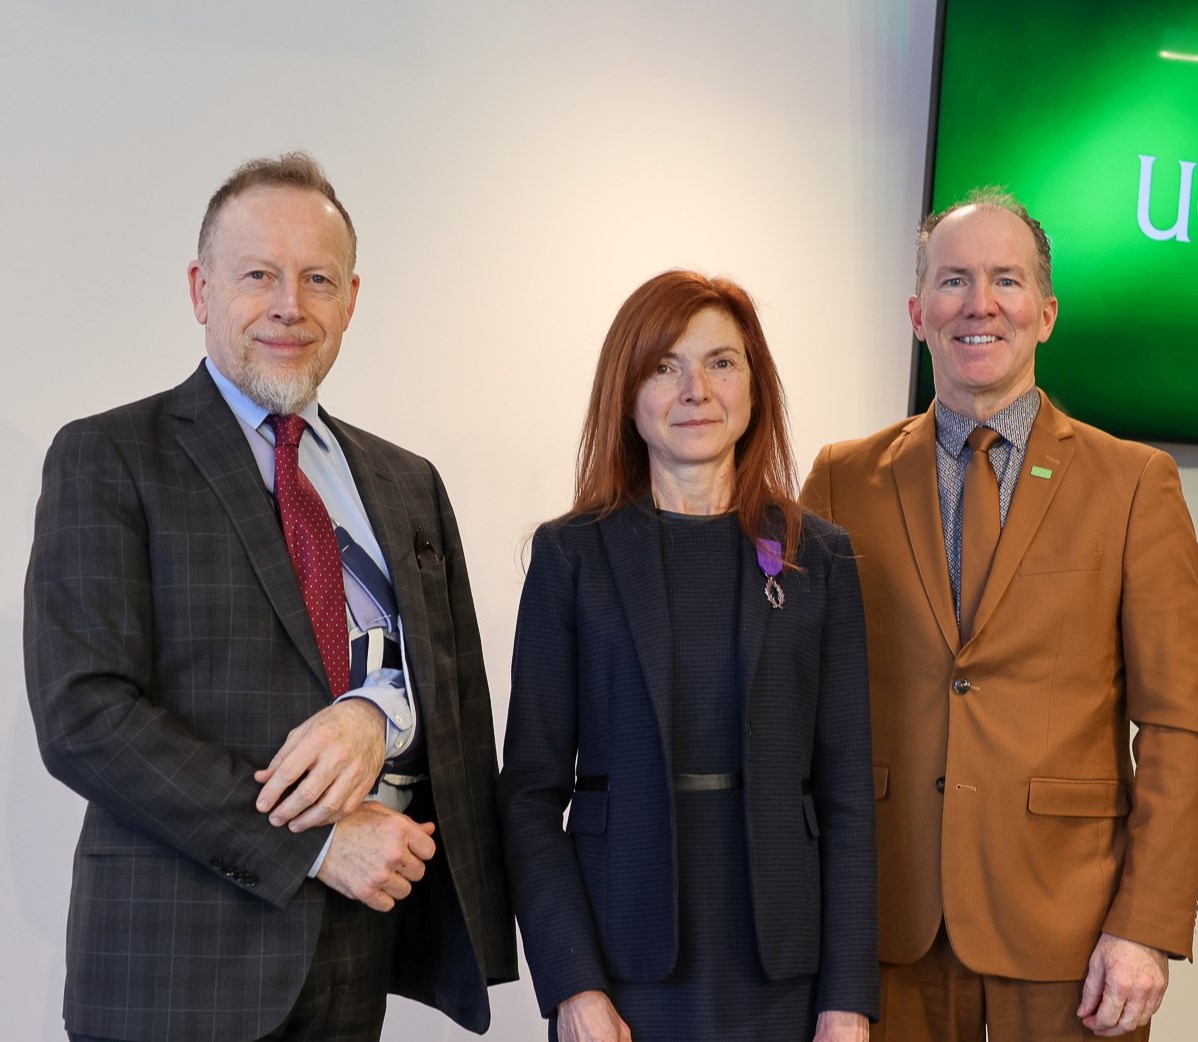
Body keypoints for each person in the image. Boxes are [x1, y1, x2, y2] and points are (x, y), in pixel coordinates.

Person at [23, 152, 516, 1042]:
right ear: (200, 289)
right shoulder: (109, 457)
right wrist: (316, 843)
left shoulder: (406, 483)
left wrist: (379, 717)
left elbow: (452, 689)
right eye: (258, 275)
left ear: (351, 301)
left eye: (317, 279)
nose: (291, 304)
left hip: (357, 958)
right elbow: (83, 717)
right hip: (173, 975)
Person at [800, 189, 1198, 1042]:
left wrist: (1146, 925)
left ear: (1046, 313)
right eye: (954, 280)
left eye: (1007, 280)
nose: (980, 304)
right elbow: (790, 704)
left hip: (1074, 931)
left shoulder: (1134, 484)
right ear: (918, 313)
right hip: (884, 925)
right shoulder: (840, 480)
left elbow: (1180, 726)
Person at [498, 270, 878, 1042]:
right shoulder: (572, 556)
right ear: (627, 392)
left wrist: (848, 997)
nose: (695, 389)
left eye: (721, 362)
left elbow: (847, 792)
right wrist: (572, 987)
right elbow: (529, 796)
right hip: (619, 966)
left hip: (784, 969)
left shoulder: (819, 557)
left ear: (754, 385)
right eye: (664, 366)